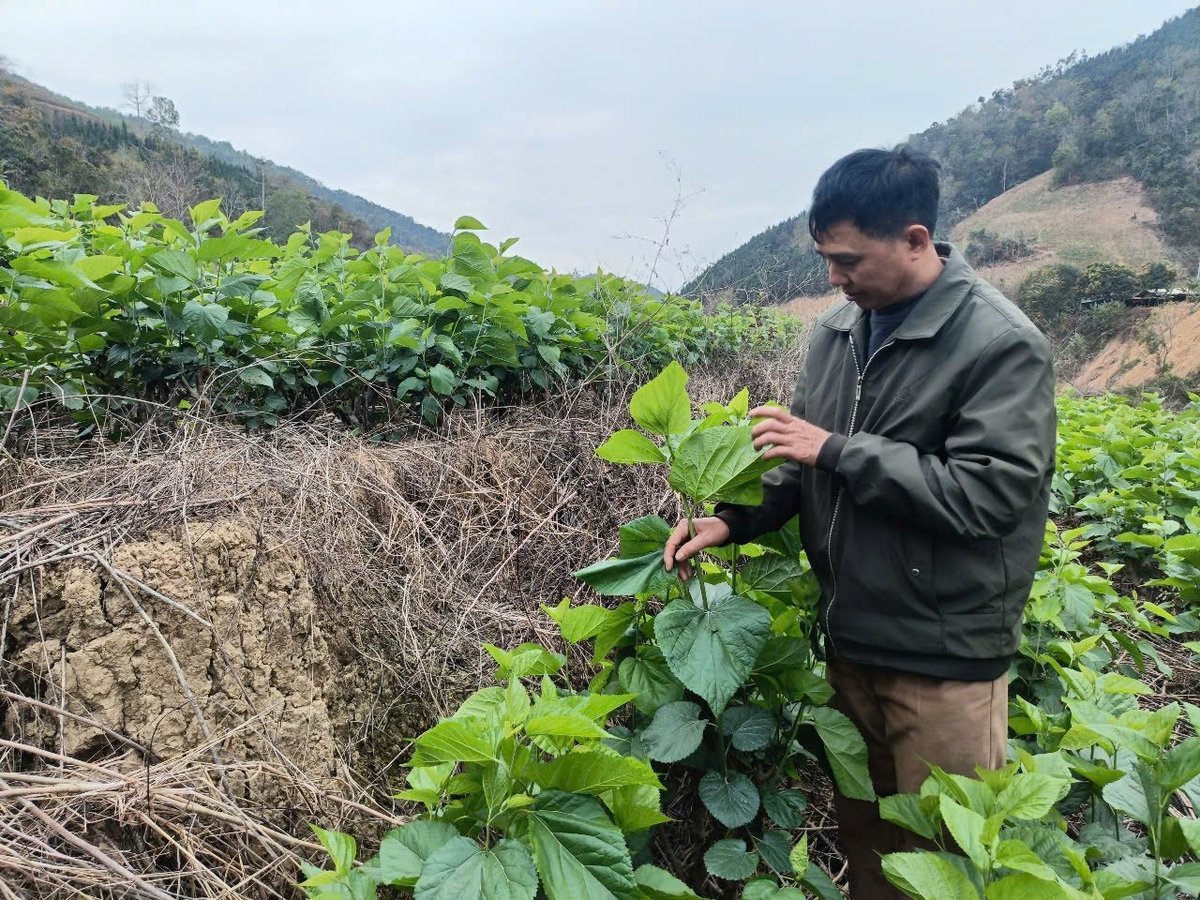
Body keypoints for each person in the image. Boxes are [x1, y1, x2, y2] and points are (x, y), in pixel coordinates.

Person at [663, 145, 1056, 898]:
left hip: (942, 655)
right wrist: (734, 520)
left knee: (944, 854)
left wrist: (839, 451)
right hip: (850, 639)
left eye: (848, 260)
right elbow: (797, 456)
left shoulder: (999, 344)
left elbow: (989, 495)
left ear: (915, 240)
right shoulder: (839, 329)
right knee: (867, 833)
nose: (833, 279)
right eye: (825, 260)